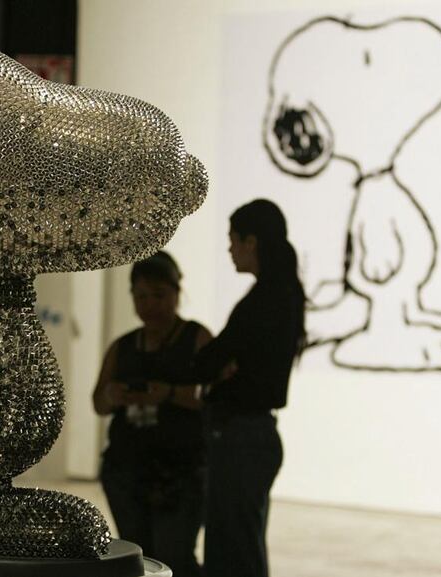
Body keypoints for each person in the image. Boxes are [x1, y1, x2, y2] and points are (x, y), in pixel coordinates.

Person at [193, 199, 306, 577]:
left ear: (251, 241)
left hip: (241, 437)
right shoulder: (283, 295)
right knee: (242, 545)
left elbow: (210, 359)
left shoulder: (264, 302)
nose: (229, 249)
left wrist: (219, 367)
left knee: (232, 552)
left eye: (232, 240)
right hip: (253, 436)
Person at [93, 251, 212, 577]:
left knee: (176, 554)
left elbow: (216, 396)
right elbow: (98, 403)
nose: (150, 305)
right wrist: (113, 395)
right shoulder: (124, 346)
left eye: (159, 295)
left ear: (176, 293)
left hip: (181, 471)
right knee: (137, 557)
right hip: (127, 470)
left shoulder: (196, 339)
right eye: (141, 296)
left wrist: (170, 393)